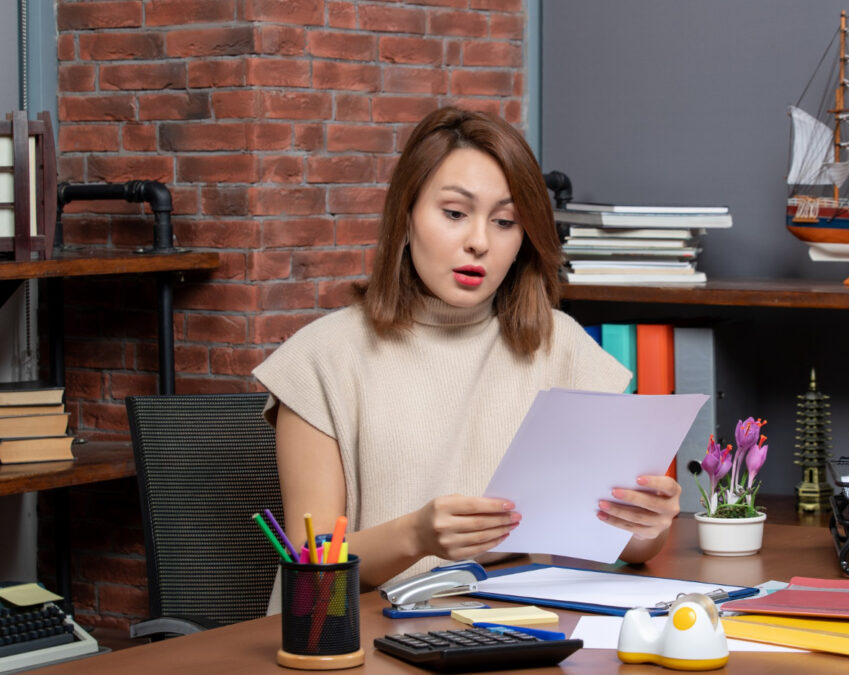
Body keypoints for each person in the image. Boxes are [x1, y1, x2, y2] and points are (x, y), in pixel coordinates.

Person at [253, 107, 681, 595]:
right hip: (358, 642)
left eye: (505, 222)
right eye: (455, 214)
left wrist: (649, 521)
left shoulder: (560, 345)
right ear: (407, 216)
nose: (479, 242)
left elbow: (633, 548)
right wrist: (415, 536)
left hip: (514, 630)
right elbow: (314, 575)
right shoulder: (321, 359)